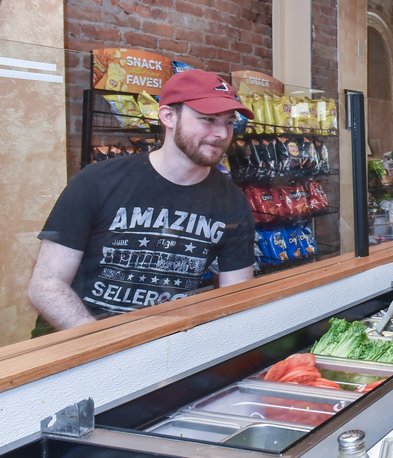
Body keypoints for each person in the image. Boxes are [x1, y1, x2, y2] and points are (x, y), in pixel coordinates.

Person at [27, 69, 257, 335]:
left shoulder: (232, 202)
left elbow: (235, 297)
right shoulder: (97, 181)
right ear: (169, 116)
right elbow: (45, 285)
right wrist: (101, 343)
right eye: (208, 119)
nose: (221, 134)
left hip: (163, 349)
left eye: (228, 122)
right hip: (75, 344)